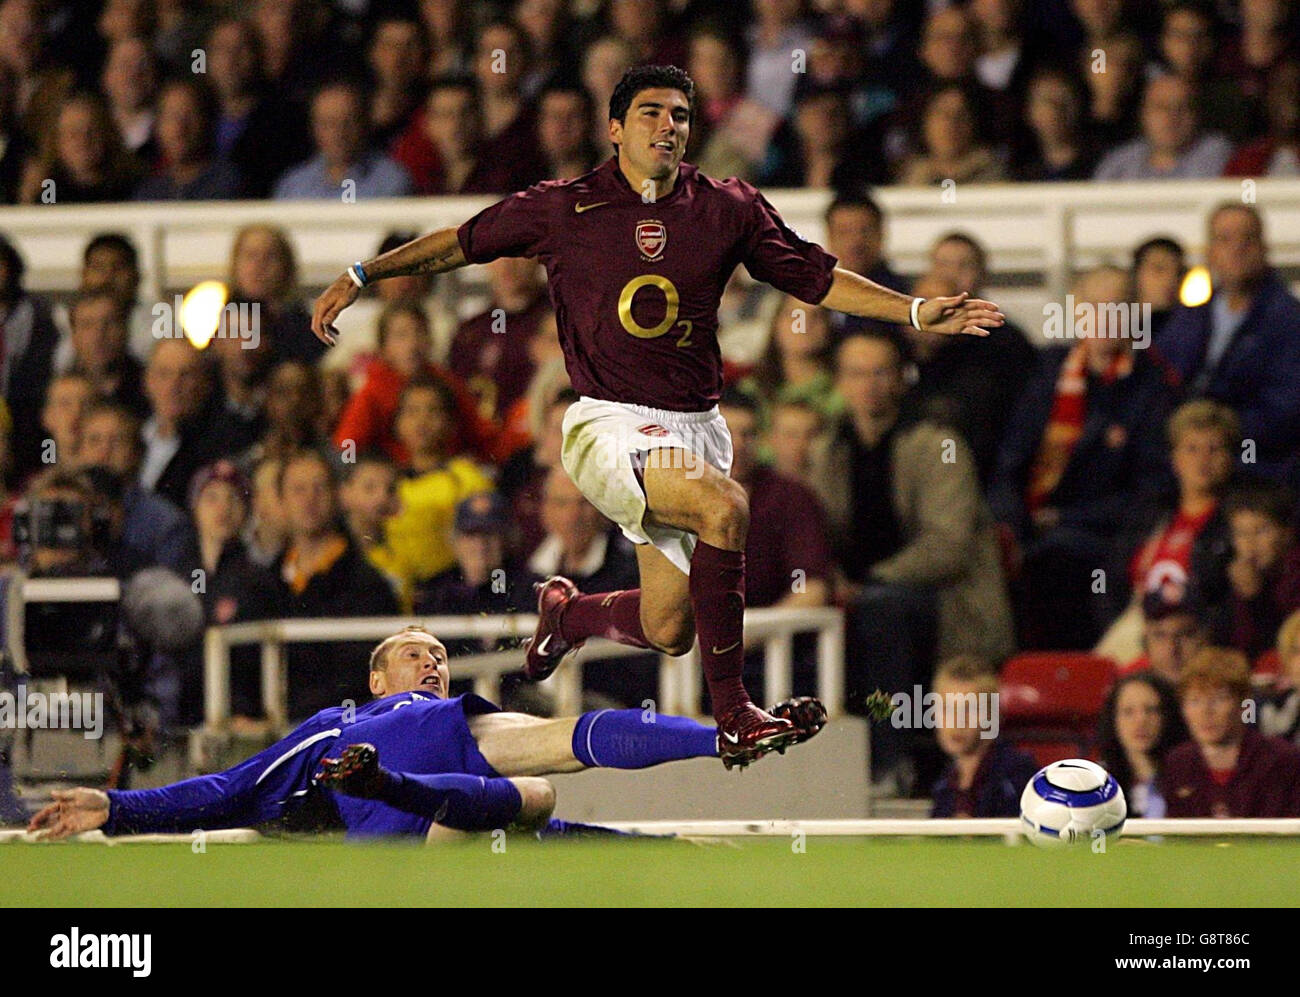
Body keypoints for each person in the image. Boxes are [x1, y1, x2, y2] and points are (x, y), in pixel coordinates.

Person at [311, 63, 1004, 766]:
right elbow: (459, 242)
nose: (667, 126)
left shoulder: (728, 205)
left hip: (694, 425)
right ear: (614, 130)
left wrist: (915, 309)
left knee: (668, 625)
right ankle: (735, 715)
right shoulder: (564, 206)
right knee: (726, 507)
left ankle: (569, 612)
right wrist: (366, 274)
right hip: (608, 422)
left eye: (679, 114)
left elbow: (814, 276)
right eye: (650, 113)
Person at [29, 625, 827, 840]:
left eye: (441, 655)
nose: (435, 662)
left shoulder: (453, 714)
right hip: (395, 822)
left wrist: (659, 849)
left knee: (544, 786)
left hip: (435, 834)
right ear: (375, 678)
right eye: (416, 653)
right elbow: (226, 789)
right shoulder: (331, 727)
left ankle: (726, 735)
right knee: (541, 773)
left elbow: (567, 829)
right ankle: (722, 731)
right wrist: (118, 805)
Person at [1156, 203, 1300, 482]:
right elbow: (1159, 379)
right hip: (1182, 459)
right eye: (1224, 239)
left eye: (1247, 238)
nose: (1237, 248)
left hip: (1255, 465)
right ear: (1210, 253)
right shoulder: (1190, 316)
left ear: (1264, 248)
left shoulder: (1290, 321)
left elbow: (1287, 408)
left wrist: (1218, 435)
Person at [1160, 646, 1300, 817]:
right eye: (1195, 701)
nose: (1205, 711)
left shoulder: (1280, 759)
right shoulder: (1179, 762)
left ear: (1244, 704)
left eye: (1219, 699)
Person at [930, 656, 1037, 818]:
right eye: (947, 709)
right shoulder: (944, 786)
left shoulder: (1018, 776)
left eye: (969, 710)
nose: (957, 722)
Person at [1096, 672, 1187, 818]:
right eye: (1128, 712)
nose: (1141, 721)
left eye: (1151, 710)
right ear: (1113, 720)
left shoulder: (1190, 777)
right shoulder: (1098, 785)